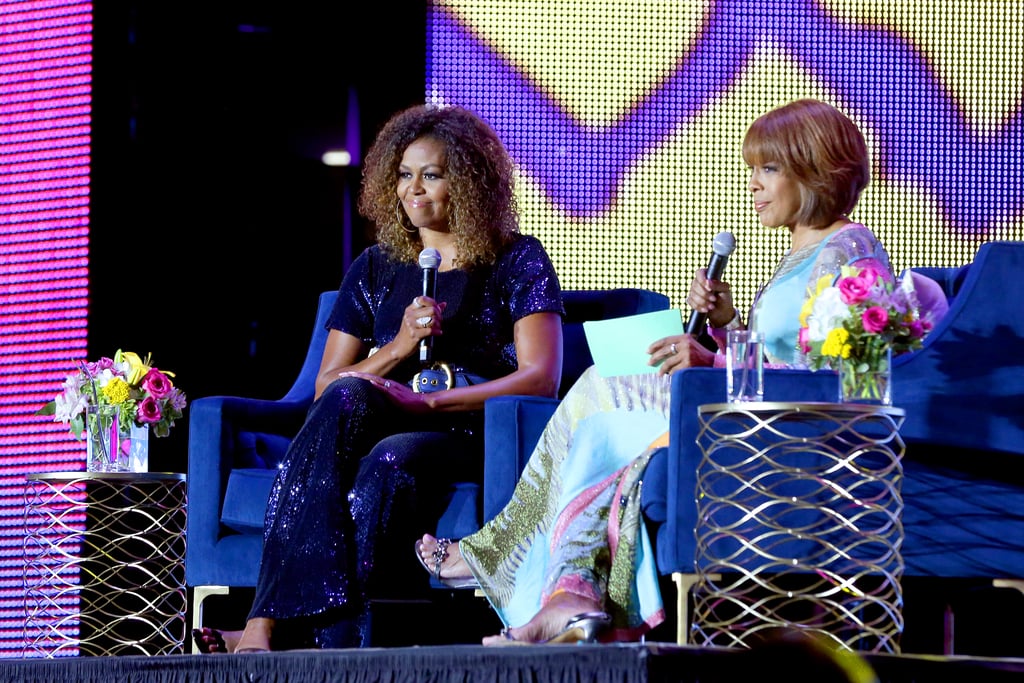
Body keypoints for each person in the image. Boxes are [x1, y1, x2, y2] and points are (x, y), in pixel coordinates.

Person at [416, 98, 938, 646]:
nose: (753, 185)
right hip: (739, 407)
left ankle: (517, 565)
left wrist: (711, 360)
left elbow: (825, 375)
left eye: (768, 169)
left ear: (814, 168)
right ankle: (566, 594)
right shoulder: (802, 253)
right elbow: (778, 356)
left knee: (599, 395)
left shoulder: (847, 251)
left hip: (775, 429)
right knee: (598, 415)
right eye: (752, 171)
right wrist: (726, 322)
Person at [196, 104, 565, 653]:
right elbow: (326, 387)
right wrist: (396, 348)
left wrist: (434, 407)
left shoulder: (516, 259)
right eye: (403, 174)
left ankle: (289, 632)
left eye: (432, 174)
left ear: (466, 181)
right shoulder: (374, 266)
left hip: (468, 431)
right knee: (348, 398)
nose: (413, 189)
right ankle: (288, 629)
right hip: (377, 416)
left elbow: (541, 379)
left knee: (388, 464)